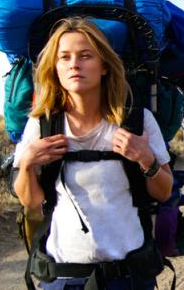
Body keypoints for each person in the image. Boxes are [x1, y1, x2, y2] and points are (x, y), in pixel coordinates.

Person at [13, 17, 173, 289]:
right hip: (63, 276)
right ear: (55, 68)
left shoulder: (136, 122)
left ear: (104, 67)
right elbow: (32, 203)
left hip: (128, 276)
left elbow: (164, 192)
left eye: (85, 56)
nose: (74, 64)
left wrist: (146, 159)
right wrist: (27, 163)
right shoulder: (41, 125)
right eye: (64, 57)